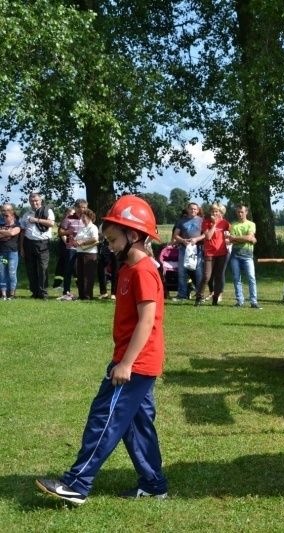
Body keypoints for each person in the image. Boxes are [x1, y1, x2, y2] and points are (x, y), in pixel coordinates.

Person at [35, 195, 167, 505]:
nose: (109, 245)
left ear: (133, 235)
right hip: (134, 361)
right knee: (136, 426)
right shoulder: (127, 269)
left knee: (104, 417)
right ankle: (154, 484)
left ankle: (77, 484)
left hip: (135, 364)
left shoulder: (144, 271)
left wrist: (125, 364)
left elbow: (147, 322)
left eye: (113, 239)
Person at [19, 192, 56, 300]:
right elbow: (22, 231)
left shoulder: (47, 211)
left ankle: (43, 293)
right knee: (31, 269)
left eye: (36, 200)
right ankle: (35, 292)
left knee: (43, 268)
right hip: (28, 243)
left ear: (40, 201)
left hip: (43, 243)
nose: (34, 203)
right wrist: (21, 246)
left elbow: (51, 223)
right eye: (32, 201)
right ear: (29, 201)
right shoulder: (26, 214)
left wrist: (36, 220)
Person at [196, 203, 230, 306]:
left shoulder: (225, 223)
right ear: (210, 212)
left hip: (222, 253)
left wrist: (229, 236)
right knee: (207, 276)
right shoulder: (206, 222)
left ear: (220, 213)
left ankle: (215, 299)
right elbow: (208, 237)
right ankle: (199, 297)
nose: (214, 213)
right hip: (210, 252)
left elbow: (231, 233)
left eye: (216, 212)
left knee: (219, 276)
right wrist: (214, 224)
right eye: (212, 211)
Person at [229, 204, 261, 309]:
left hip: (248, 255)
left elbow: (249, 238)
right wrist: (247, 238)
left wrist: (237, 238)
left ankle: (253, 301)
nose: (240, 214)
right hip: (235, 255)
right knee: (236, 278)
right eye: (238, 212)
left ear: (246, 212)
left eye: (242, 212)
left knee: (251, 278)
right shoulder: (233, 225)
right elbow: (231, 240)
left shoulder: (251, 224)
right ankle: (239, 301)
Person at [172, 202, 204, 302]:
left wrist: (196, 239)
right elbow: (176, 235)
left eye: (195, 209)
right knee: (182, 272)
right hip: (183, 249)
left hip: (197, 249)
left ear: (198, 210)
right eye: (191, 209)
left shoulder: (201, 221)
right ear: (188, 210)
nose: (193, 210)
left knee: (199, 272)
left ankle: (200, 295)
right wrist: (182, 241)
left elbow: (206, 235)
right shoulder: (181, 221)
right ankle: (182, 294)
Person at [57, 199, 88, 301]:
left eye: (85, 207)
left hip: (83, 248)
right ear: (77, 208)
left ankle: (83, 293)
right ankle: (66, 292)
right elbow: (60, 231)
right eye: (82, 207)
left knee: (82, 271)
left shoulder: (87, 219)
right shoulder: (68, 219)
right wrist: (67, 232)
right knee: (68, 270)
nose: (84, 209)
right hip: (71, 248)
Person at [74, 209, 100, 300]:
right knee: (80, 274)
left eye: (84, 217)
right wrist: (75, 242)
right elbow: (76, 239)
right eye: (82, 217)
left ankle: (88, 296)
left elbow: (95, 239)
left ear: (90, 217)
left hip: (89, 253)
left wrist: (83, 242)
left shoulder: (93, 227)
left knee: (87, 275)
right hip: (79, 252)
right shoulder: (82, 228)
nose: (82, 219)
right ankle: (81, 295)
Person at [0, 203, 21, 300]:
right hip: (1, 253)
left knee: (12, 273)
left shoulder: (17, 224)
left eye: (7, 214)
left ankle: (12, 294)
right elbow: (9, 233)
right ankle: (4, 294)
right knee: (2, 273)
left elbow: (13, 232)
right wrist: (7, 233)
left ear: (12, 214)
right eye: (3, 213)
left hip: (12, 253)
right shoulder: (1, 223)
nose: (5, 215)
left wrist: (2, 232)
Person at [52, 207, 75, 291]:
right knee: (63, 266)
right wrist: (69, 244)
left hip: (70, 247)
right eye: (71, 213)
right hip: (66, 247)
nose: (73, 215)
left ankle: (77, 283)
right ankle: (57, 284)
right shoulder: (65, 222)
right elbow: (63, 235)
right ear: (67, 214)